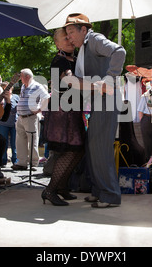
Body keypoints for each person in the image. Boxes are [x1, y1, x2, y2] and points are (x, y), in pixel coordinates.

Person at [64, 13, 126, 208]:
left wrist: (111, 77)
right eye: (66, 33)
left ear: (84, 29)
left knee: (101, 147)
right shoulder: (82, 48)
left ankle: (110, 195)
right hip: (97, 101)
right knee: (93, 147)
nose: (69, 37)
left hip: (107, 100)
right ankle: (99, 191)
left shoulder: (95, 39)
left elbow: (119, 51)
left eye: (71, 32)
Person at [41, 28, 85, 206]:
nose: (68, 40)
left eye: (69, 37)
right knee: (70, 149)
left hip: (72, 108)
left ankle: (61, 187)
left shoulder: (74, 59)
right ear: (57, 44)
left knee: (78, 150)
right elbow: (69, 79)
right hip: (63, 110)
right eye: (64, 39)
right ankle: (50, 190)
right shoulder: (59, 60)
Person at [12, 69, 50, 171]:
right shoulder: (24, 86)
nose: (20, 79)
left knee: (32, 140)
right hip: (21, 117)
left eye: (21, 76)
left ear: (27, 77)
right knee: (20, 141)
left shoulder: (37, 86)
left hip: (30, 117)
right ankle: (21, 162)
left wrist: (39, 110)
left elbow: (46, 97)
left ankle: (33, 163)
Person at [0, 85, 19, 166]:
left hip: (14, 122)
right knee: (4, 142)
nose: (7, 90)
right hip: (3, 123)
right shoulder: (1, 97)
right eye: (5, 88)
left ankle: (15, 160)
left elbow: (18, 107)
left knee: (14, 143)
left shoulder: (16, 97)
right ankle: (3, 160)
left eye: (9, 88)